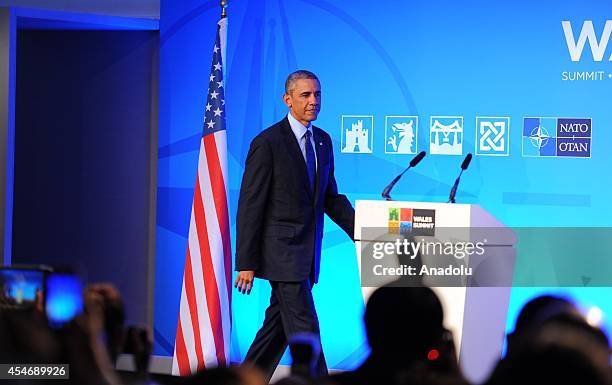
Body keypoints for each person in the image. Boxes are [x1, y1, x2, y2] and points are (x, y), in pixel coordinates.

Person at [234, 70, 355, 381]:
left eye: (317, 95)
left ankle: (247, 379)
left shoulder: (323, 141)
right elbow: (251, 204)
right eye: (305, 95)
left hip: (306, 256)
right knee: (305, 329)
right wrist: (246, 262)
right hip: (281, 256)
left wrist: (363, 231)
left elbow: (330, 197)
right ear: (287, 100)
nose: (313, 101)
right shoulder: (268, 143)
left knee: (276, 330)